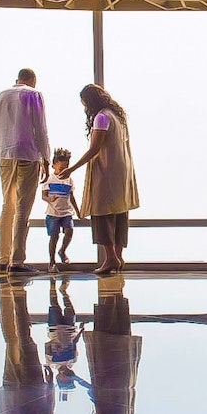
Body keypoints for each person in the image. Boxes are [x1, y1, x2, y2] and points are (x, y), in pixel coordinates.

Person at [60, 84, 138, 276]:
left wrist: (72, 168)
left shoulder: (101, 117)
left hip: (106, 170)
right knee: (119, 212)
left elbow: (95, 149)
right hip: (122, 170)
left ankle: (110, 257)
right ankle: (118, 256)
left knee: (101, 212)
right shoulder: (118, 116)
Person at [0, 68, 51, 275]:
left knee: (7, 206)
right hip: (27, 154)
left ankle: (2, 259)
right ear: (33, 80)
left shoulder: (1, 95)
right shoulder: (33, 94)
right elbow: (40, 128)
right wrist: (46, 157)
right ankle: (17, 261)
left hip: (4, 155)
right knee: (23, 209)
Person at [83, 275, 142, 414]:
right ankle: (110, 275)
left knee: (117, 308)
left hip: (122, 360)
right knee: (107, 308)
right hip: (108, 359)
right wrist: (75, 378)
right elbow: (98, 392)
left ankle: (115, 278)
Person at [0, 277, 55, 414]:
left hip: (32, 391)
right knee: (13, 341)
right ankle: (11, 298)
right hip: (12, 394)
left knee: (23, 340)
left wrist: (50, 389)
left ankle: (18, 297)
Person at [44, 276, 84, 400]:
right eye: (69, 379)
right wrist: (81, 330)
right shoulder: (72, 360)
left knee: (54, 305)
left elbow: (47, 345)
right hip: (70, 329)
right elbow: (75, 343)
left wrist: (55, 345)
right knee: (70, 310)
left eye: (65, 380)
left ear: (58, 378)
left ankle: (52, 284)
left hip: (55, 329)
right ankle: (63, 291)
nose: (67, 377)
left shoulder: (52, 362)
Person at [42, 148, 77, 273]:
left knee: (69, 231)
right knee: (54, 237)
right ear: (54, 165)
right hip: (53, 213)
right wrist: (50, 199)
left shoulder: (69, 180)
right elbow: (44, 195)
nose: (64, 171)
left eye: (66, 168)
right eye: (61, 168)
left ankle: (62, 250)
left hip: (66, 212)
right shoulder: (50, 179)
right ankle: (52, 262)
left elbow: (72, 197)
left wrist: (78, 212)